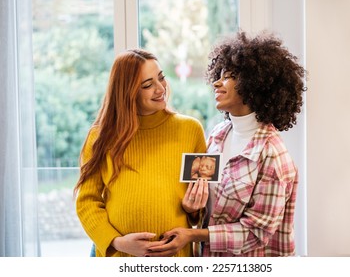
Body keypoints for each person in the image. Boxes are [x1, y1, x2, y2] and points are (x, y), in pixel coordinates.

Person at [146, 31, 306, 257]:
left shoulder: (273, 156)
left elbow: (256, 233)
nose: (217, 82)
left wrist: (193, 235)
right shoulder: (218, 136)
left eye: (228, 76)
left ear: (255, 84)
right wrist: (193, 208)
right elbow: (210, 207)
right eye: (218, 74)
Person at [73, 49, 208, 257]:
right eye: (147, 85)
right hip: (119, 258)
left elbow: (202, 208)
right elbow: (87, 201)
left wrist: (193, 209)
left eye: (161, 78)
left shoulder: (191, 130)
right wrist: (117, 243)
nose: (160, 88)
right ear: (127, 92)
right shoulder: (100, 136)